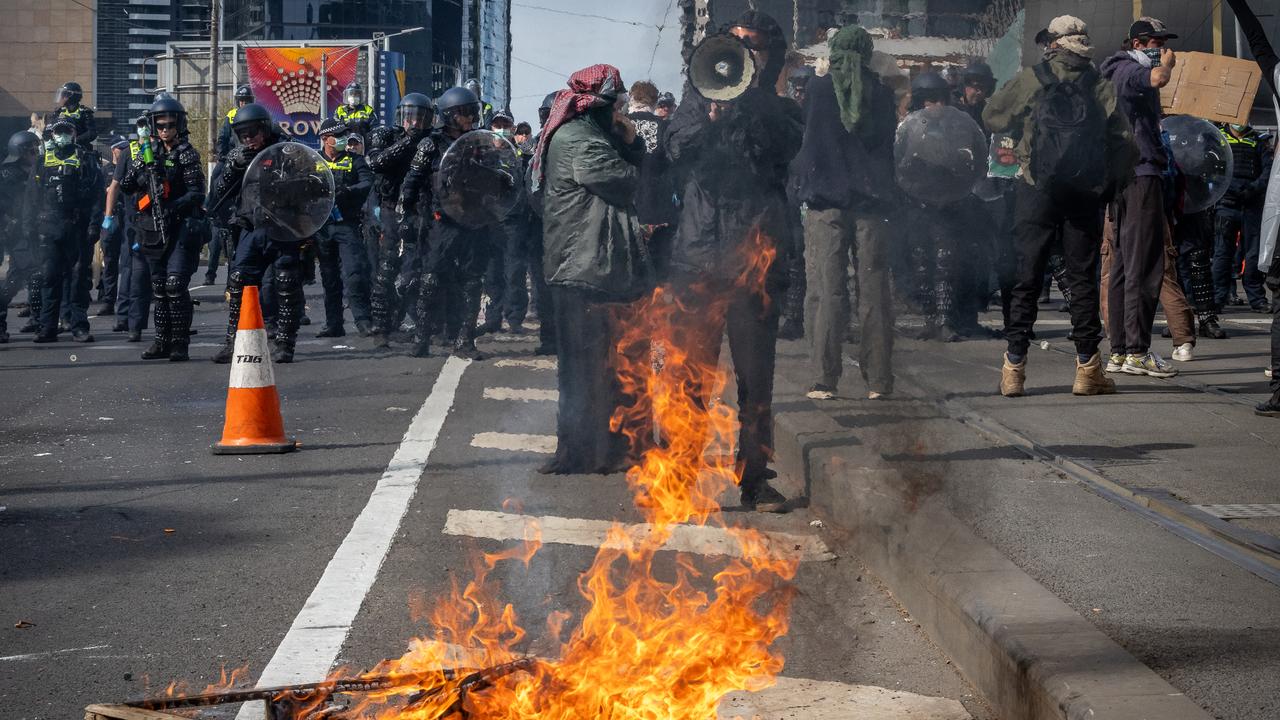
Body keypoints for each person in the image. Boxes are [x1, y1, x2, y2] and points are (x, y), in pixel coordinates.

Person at [665, 10, 803, 511]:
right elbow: (676, 150)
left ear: (771, 56)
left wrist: (750, 104)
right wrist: (710, 116)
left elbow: (781, 151)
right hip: (697, 259)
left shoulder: (782, 110)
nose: (746, 53)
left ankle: (754, 478)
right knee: (688, 375)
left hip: (754, 262)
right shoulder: (695, 100)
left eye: (756, 46)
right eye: (738, 43)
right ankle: (679, 478)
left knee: (755, 379)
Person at [984, 15, 1136, 397]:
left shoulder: (1033, 78)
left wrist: (1026, 130)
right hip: (1084, 194)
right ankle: (1087, 369)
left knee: (1026, 276)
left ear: (1054, 43)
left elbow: (992, 116)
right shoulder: (1100, 84)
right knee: (1081, 279)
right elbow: (1125, 144)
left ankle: (1014, 369)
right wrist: (1110, 187)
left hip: (1036, 189)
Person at [533, 64, 650, 475]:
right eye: (615, 105)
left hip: (588, 266)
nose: (619, 112)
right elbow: (624, 180)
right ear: (596, 105)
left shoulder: (585, 135)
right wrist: (633, 145)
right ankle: (590, 453)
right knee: (592, 368)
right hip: (586, 268)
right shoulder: (580, 141)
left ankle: (590, 450)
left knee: (593, 368)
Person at [792, 25, 897, 402]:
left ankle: (823, 379)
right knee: (873, 290)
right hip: (871, 205)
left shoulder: (818, 91)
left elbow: (806, 137)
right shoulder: (883, 94)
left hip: (825, 204)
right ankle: (879, 380)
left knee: (826, 289)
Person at [1099, 17, 1180, 378]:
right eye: (1153, 43)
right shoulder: (1128, 71)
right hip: (1140, 174)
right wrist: (1167, 64)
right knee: (1144, 265)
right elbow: (1157, 77)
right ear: (1135, 44)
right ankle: (1136, 350)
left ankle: (1119, 350)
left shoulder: (1117, 71)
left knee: (1121, 265)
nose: (1159, 48)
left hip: (1126, 176)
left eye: (1162, 43)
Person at [398, 85, 502, 359]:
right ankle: (421, 339)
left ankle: (464, 340)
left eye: (472, 112)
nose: (469, 118)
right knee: (430, 279)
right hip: (441, 223)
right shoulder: (430, 144)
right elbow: (411, 183)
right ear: (449, 115)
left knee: (472, 281)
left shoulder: (482, 143)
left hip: (474, 221)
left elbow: (496, 179)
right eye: (464, 113)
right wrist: (406, 217)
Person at [210, 102, 300, 364]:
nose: (248, 138)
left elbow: (307, 185)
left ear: (264, 128)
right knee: (238, 282)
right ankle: (232, 341)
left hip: (283, 229)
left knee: (285, 285)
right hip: (251, 227)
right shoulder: (239, 156)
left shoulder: (286, 150)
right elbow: (218, 191)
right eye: (243, 134)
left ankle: (284, 343)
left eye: (252, 132)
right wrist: (233, 167)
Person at [118, 96, 205, 361]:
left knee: (175, 284)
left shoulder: (187, 153)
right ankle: (161, 340)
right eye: (160, 125)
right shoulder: (146, 152)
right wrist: (143, 172)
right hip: (151, 228)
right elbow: (127, 185)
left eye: (170, 124)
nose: (165, 129)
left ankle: (180, 343)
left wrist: (173, 206)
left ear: (179, 124)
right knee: (158, 287)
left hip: (178, 228)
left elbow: (197, 193)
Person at [367, 92, 434, 347]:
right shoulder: (385, 135)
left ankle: (421, 324)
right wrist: (409, 141)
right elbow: (377, 162)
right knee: (386, 270)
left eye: (420, 118)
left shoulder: (431, 140)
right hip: (389, 210)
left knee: (418, 269)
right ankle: (381, 328)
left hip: (420, 212)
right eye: (410, 117)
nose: (414, 123)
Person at [32, 119, 100, 343]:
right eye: (58, 131)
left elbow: (97, 196)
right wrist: (28, 226)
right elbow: (31, 197)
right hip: (50, 228)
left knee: (79, 279)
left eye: (66, 131)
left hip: (77, 228)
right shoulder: (42, 161)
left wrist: (94, 225)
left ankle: (79, 326)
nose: (62, 135)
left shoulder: (86, 160)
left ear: (73, 133)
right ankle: (48, 327)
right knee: (50, 278)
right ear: (52, 135)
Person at [312, 118, 374, 337]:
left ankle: (364, 320)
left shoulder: (355, 160)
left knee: (354, 273)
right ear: (324, 139)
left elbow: (367, 182)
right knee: (329, 277)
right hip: (322, 227)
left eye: (343, 135)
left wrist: (349, 190)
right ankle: (334, 324)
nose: (342, 139)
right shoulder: (313, 161)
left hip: (347, 224)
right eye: (337, 136)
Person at [478, 107, 532, 335]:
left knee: (514, 271)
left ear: (511, 128)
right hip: (489, 221)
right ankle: (493, 317)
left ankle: (515, 317)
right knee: (491, 272)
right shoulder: (481, 152)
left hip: (513, 221)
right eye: (496, 125)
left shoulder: (520, 154)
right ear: (490, 127)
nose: (500, 130)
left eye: (504, 125)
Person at [1215, 122, 1272, 312]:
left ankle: (1257, 299)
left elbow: (1268, 171)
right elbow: (1214, 168)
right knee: (1223, 253)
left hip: (1252, 204)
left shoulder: (1258, 140)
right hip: (1227, 203)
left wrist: (1252, 189)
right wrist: (1231, 188)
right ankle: (1218, 297)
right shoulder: (1219, 138)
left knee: (1253, 254)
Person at [625, 80, 677, 281]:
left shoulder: (616, 126)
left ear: (631, 98)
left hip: (624, 214)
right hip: (659, 213)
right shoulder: (666, 127)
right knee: (660, 274)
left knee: (630, 274)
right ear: (655, 102)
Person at [0, 131, 41, 342]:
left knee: (35, 276)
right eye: (30, 150)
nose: (35, 153)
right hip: (15, 234)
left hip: (32, 230)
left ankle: (37, 318)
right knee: (15, 279)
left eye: (36, 148)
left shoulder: (36, 170)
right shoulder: (7, 175)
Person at [48, 82, 97, 150]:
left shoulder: (84, 112)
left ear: (72, 96)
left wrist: (75, 140)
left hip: (79, 148)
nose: (61, 97)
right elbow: (49, 128)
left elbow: (92, 133)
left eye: (64, 94)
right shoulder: (58, 112)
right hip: (59, 147)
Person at [217, 85, 255, 162]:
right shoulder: (231, 114)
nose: (243, 103)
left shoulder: (256, 114)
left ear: (251, 101)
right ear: (237, 101)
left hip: (253, 155)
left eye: (246, 100)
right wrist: (222, 156)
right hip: (233, 155)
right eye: (241, 100)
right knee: (215, 174)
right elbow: (223, 137)